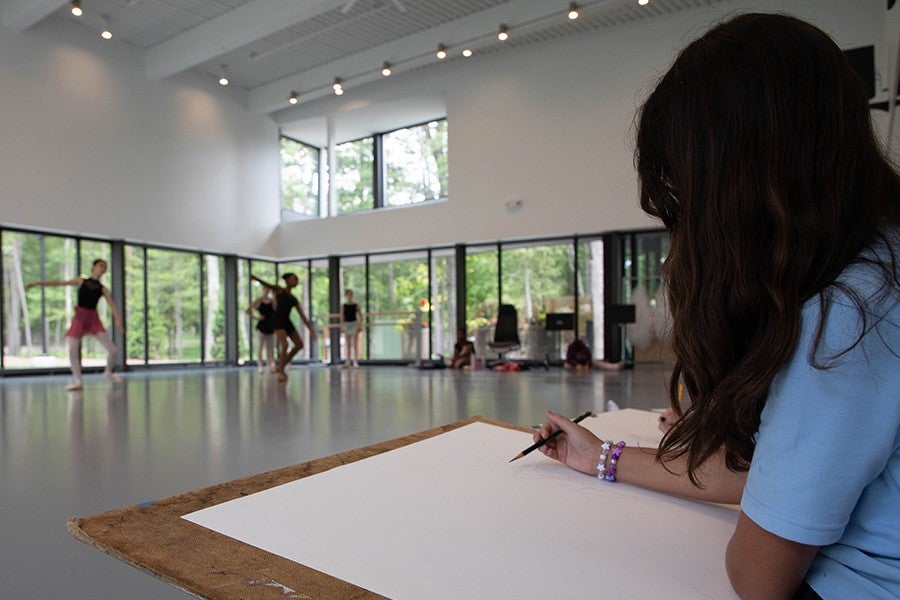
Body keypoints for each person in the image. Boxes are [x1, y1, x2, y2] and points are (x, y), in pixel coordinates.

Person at [532, 14, 898, 600]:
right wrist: (601, 457)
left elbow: (757, 577)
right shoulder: (884, 256)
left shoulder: (849, 317)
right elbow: (769, 469)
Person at [26, 258, 124, 391]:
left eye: (105, 267)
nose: (103, 269)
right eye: (101, 266)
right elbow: (60, 283)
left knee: (113, 350)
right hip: (79, 318)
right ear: (93, 267)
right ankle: (78, 381)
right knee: (72, 350)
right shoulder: (81, 281)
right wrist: (38, 283)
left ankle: (108, 372)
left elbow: (113, 306)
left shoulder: (103, 289)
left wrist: (118, 321)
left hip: (93, 319)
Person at [250, 273, 316, 381]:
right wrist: (255, 278)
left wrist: (311, 330)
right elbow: (268, 284)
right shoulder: (279, 290)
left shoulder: (293, 299)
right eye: (294, 279)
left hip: (286, 321)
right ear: (288, 280)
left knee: (299, 344)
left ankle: (281, 365)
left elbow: (302, 316)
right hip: (277, 321)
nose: (296, 281)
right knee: (284, 345)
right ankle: (281, 372)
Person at [246, 287, 276, 373]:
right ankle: (260, 365)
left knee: (270, 347)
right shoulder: (258, 300)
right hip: (262, 326)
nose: (266, 291)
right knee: (260, 346)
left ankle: (271, 363)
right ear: (263, 290)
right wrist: (257, 318)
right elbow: (248, 310)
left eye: (268, 289)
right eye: (265, 289)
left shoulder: (272, 301)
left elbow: (276, 311)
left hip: (271, 326)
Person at [339, 289, 363, 368]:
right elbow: (342, 317)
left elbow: (360, 315)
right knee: (348, 344)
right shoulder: (344, 306)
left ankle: (355, 361)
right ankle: (347, 361)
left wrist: (359, 325)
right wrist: (342, 326)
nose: (350, 296)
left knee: (355, 344)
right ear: (346, 296)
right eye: (348, 294)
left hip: (354, 324)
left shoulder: (356, 305)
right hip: (347, 324)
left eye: (351, 294)